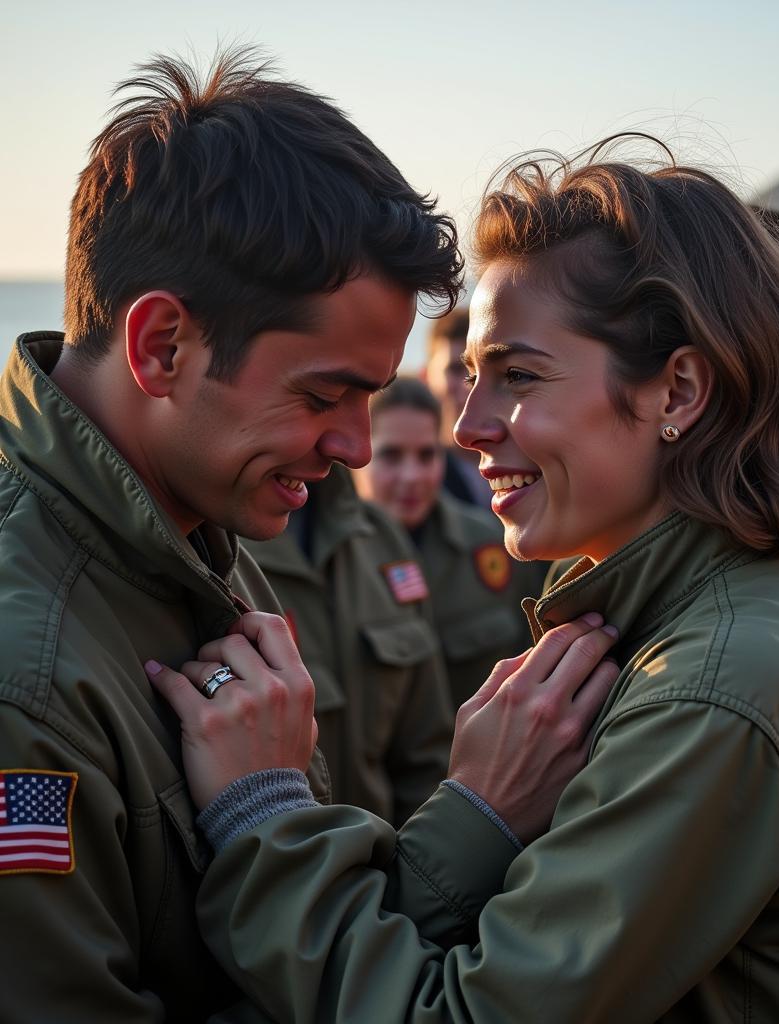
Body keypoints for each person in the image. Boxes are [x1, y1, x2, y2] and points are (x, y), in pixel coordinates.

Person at [153, 141, 779, 1022]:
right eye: (474, 376)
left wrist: (265, 820)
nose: (469, 427)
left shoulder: (718, 691)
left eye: (519, 376)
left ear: (678, 391)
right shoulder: (703, 626)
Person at [0, 46, 589, 1021]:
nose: (356, 447)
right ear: (163, 346)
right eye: (325, 394)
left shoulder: (194, 531)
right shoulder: (28, 674)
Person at [241, 463, 454, 825]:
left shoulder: (379, 536)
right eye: (317, 403)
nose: (360, 449)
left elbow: (427, 751)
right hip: (278, 863)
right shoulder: (216, 550)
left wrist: (417, 869)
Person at [354, 376, 542, 708]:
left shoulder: (493, 545)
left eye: (427, 455)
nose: (411, 476)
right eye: (391, 456)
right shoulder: (330, 561)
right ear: (358, 456)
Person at [423, 307, 493, 506]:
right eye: (454, 369)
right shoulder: (415, 476)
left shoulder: (530, 465)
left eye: (479, 372)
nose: (468, 386)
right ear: (427, 375)